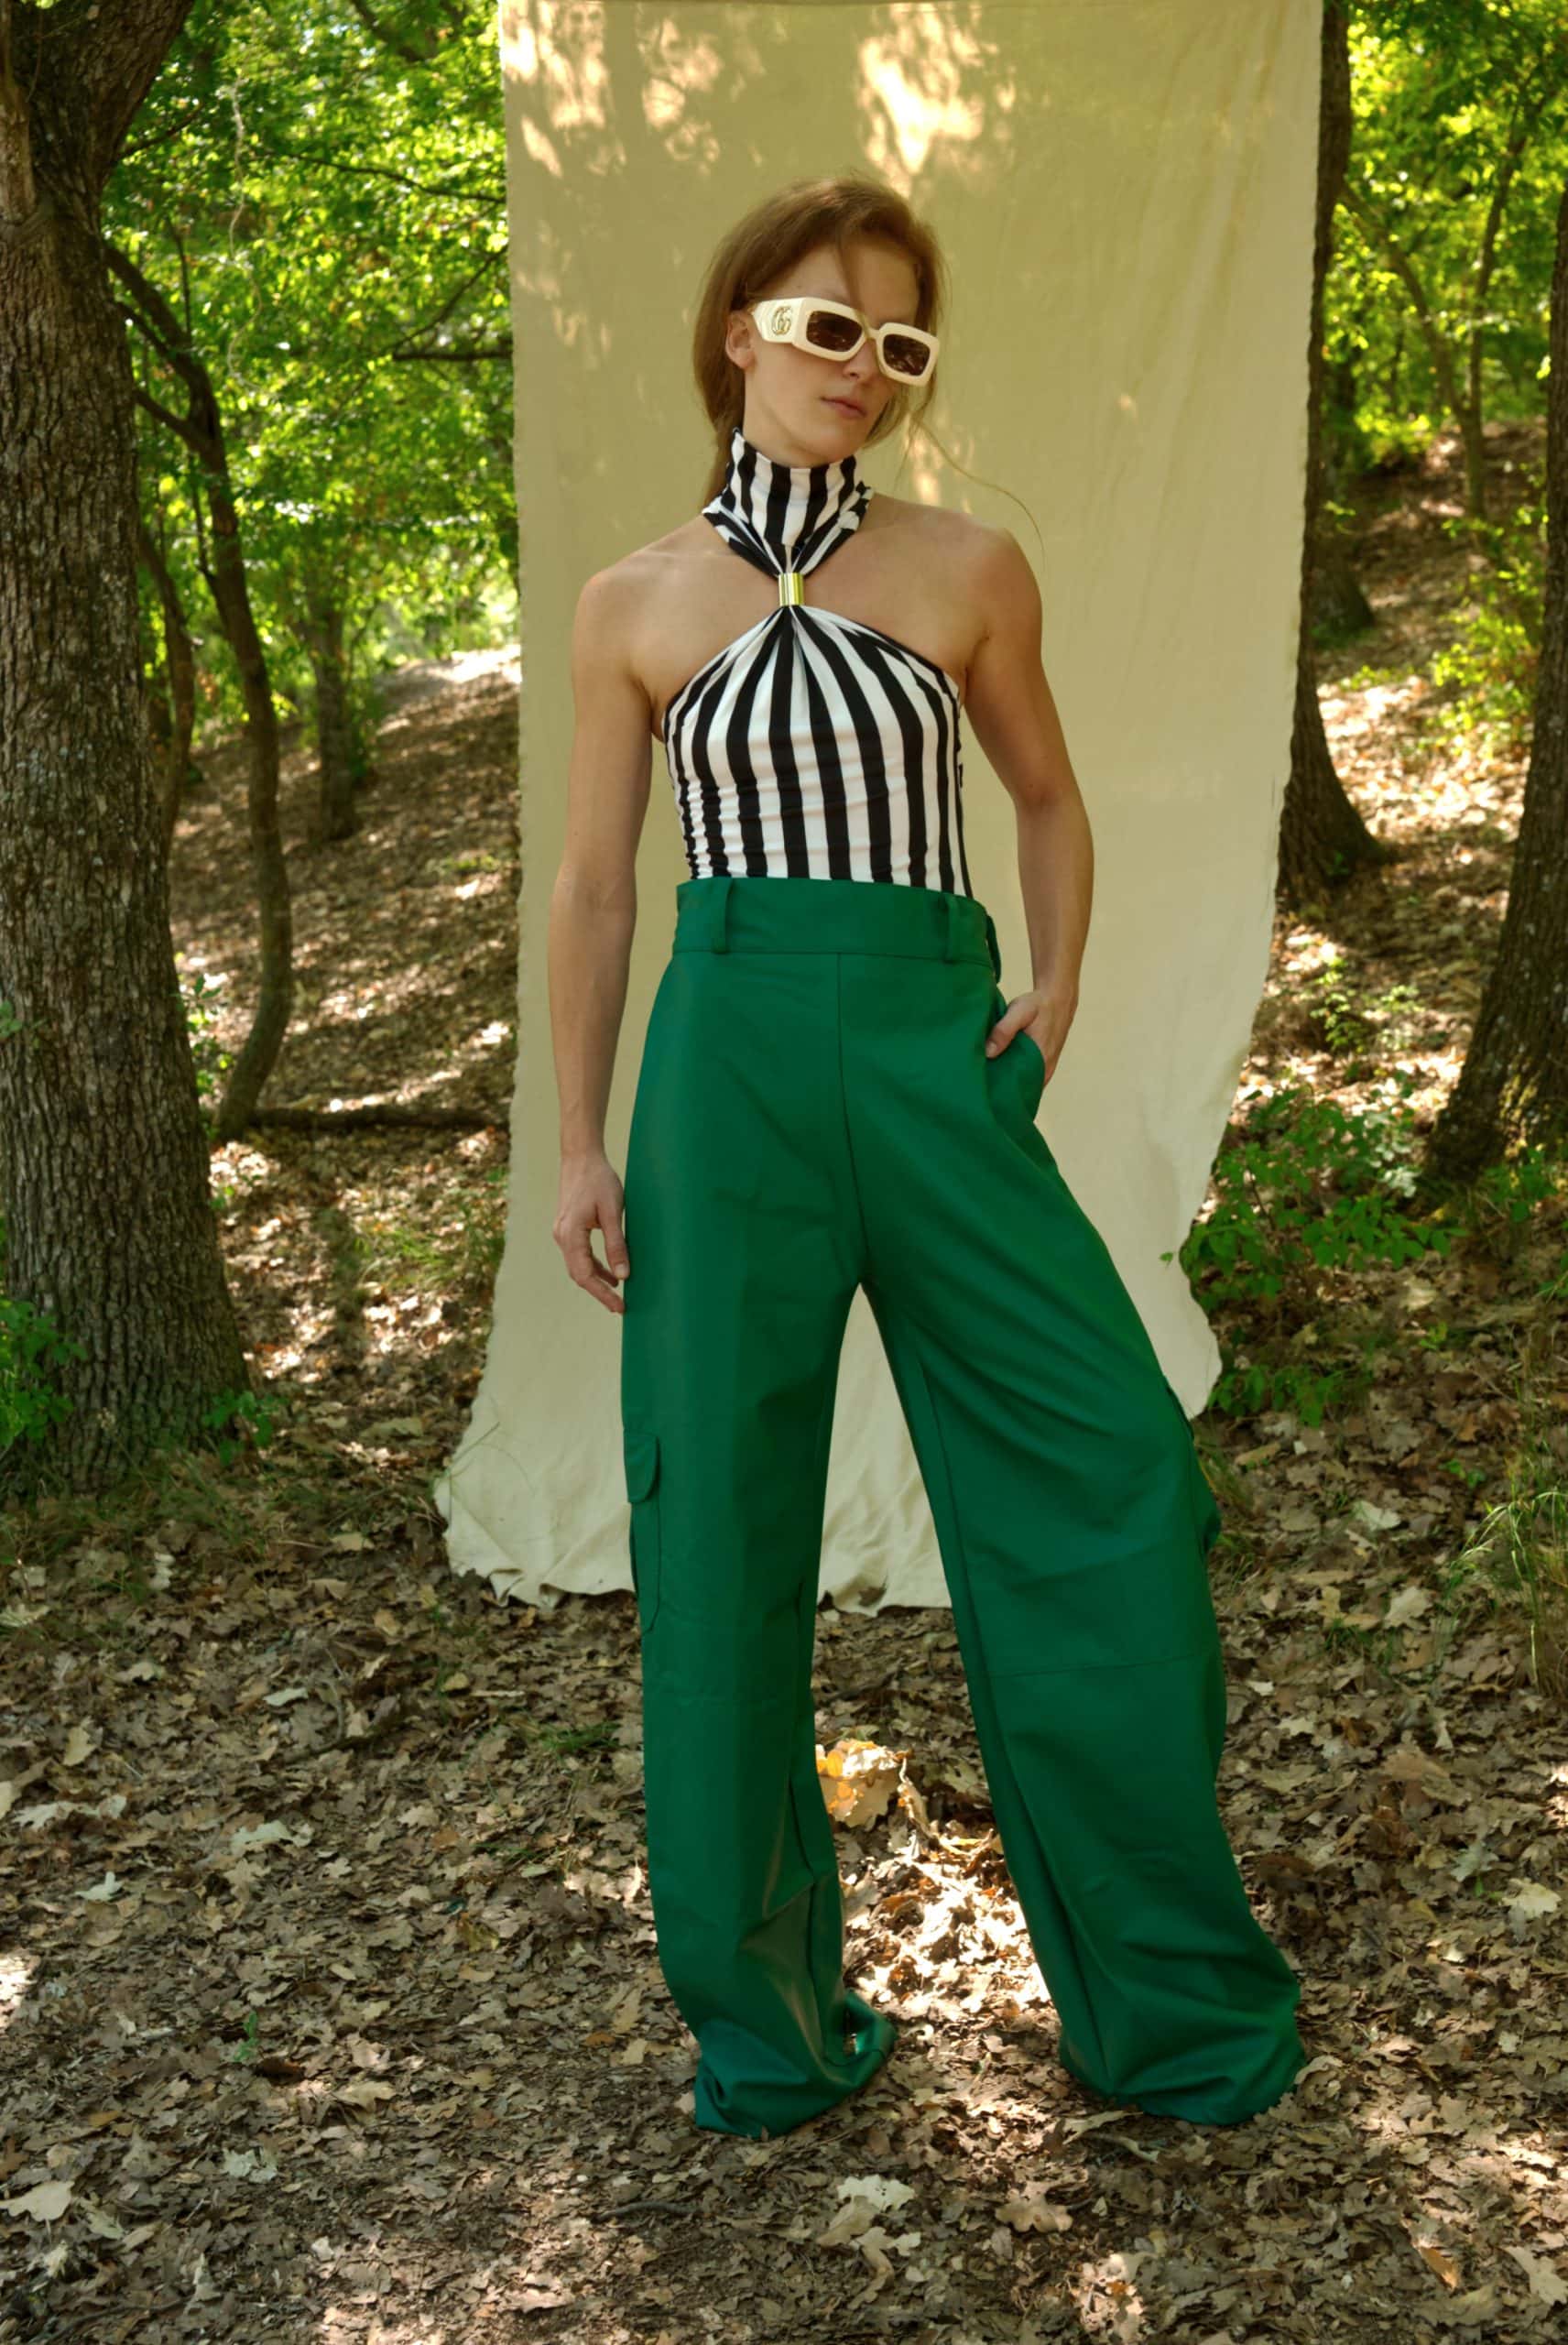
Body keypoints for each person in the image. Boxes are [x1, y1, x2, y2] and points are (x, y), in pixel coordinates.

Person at [549, 174, 1305, 2142]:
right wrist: (574, 1139)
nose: (859, 372)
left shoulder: (965, 567)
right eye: (823, 329)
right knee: (714, 1523)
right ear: (738, 335)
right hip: (722, 1072)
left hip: (923, 1042)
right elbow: (599, 893)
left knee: (1110, 1467)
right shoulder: (636, 600)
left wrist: (1050, 983)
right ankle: (769, 2027)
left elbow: (1044, 794)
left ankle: (1164, 2005)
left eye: (898, 346)